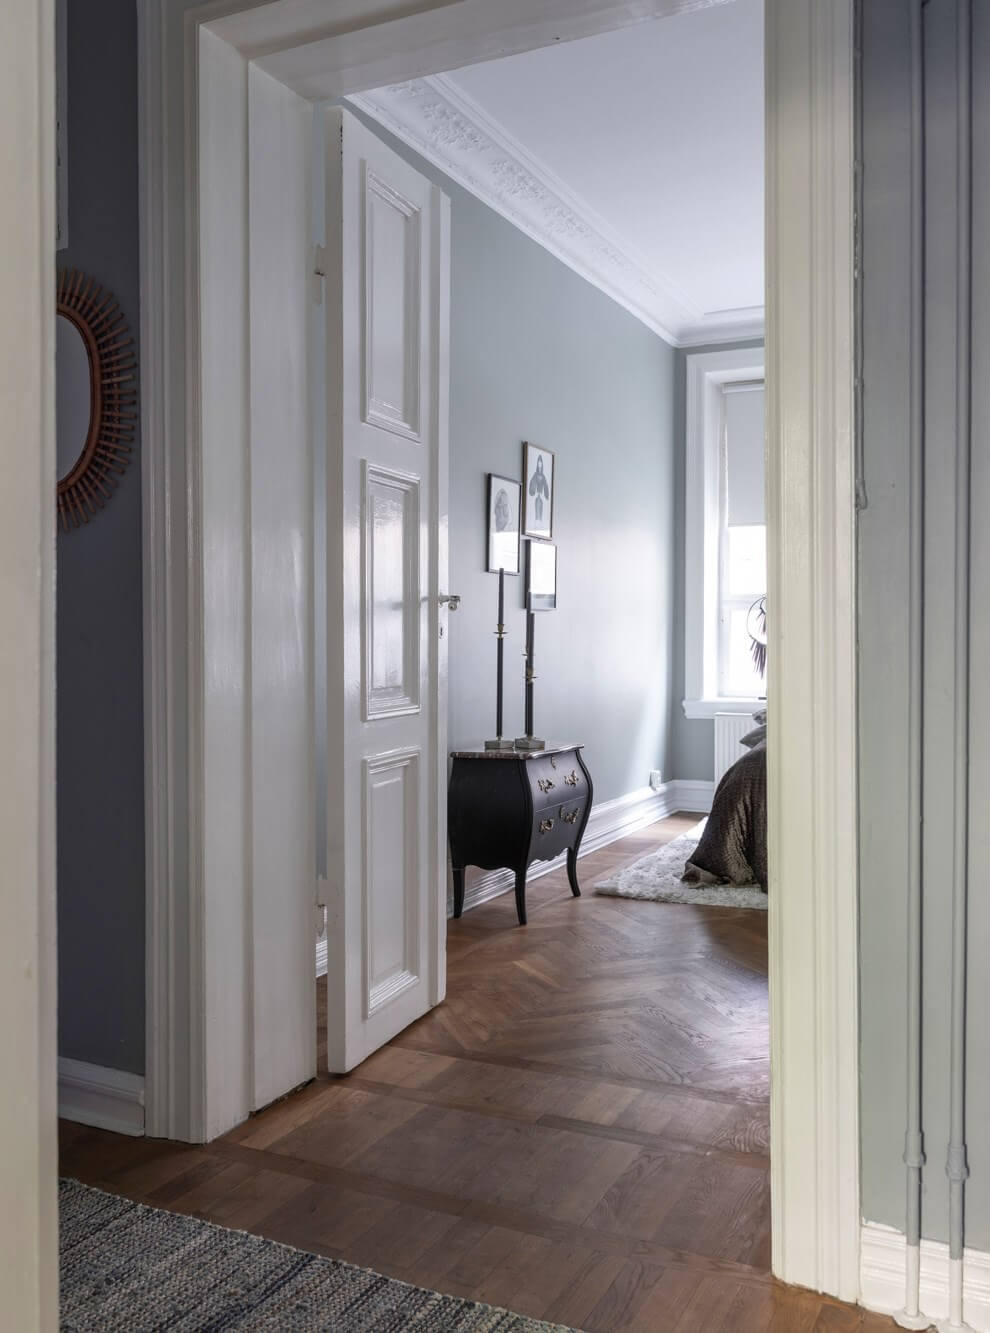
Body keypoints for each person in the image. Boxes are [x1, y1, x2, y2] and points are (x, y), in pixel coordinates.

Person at [529, 454, 550, 524]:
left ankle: (540, 521)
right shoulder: (535, 475)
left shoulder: (543, 476)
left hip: (541, 496)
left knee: (541, 507)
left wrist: (546, 495)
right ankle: (536, 520)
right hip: (536, 495)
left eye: (541, 463)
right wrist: (534, 492)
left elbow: (546, 486)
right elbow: (532, 483)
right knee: (536, 506)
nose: (539, 464)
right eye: (538, 463)